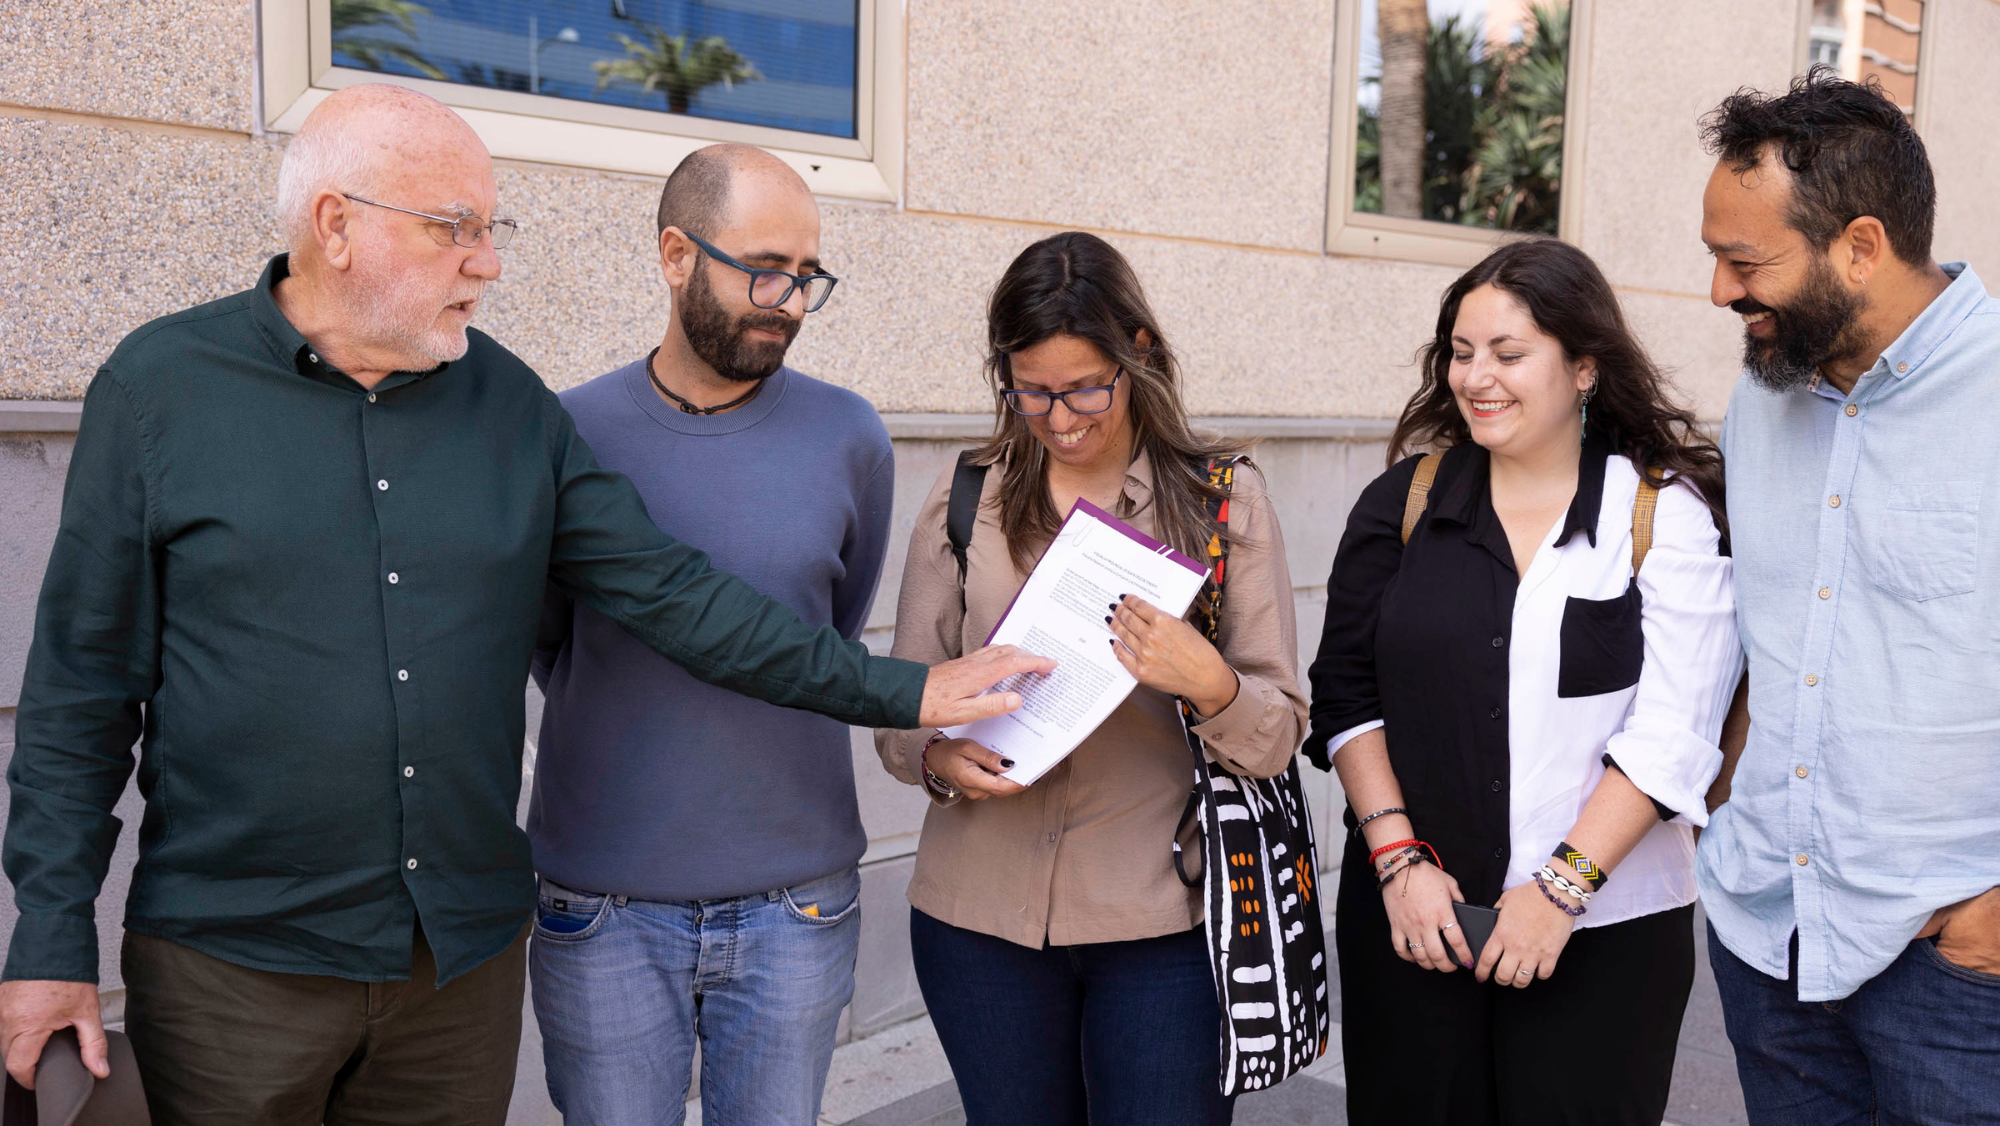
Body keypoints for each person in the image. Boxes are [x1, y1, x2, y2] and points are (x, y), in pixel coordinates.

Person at [0, 85, 1047, 1125]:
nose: (487, 261)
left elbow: (671, 595)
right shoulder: (160, 390)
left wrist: (904, 689)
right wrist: (49, 944)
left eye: (491, 228)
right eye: (454, 229)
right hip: (235, 970)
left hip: (451, 975)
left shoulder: (508, 406)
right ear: (337, 226)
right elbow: (79, 693)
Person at [874, 231, 1307, 1126]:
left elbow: (1278, 733)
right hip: (977, 921)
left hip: (1163, 929)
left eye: (1084, 389)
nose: (1060, 418)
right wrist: (933, 760)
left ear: (1137, 355)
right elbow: (898, 704)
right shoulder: (965, 498)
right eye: (1030, 392)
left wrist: (1209, 682)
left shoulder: (1223, 500)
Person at [1306, 237, 1740, 1125]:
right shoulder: (1404, 502)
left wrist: (1557, 893)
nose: (1477, 378)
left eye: (1509, 354)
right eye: (1461, 354)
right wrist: (1398, 862)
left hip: (1605, 938)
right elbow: (1348, 696)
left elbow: (1674, 735)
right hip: (1414, 922)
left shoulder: (1661, 515)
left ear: (1584, 367)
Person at [525, 144, 890, 1124]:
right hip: (601, 906)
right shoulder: (568, 432)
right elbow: (553, 640)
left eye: (808, 276)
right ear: (675, 253)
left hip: (796, 905)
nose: (788, 299)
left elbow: (825, 631)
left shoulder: (851, 437)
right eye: (765, 267)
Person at [1695, 68, 2000, 1124]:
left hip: (1955, 969)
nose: (1720, 294)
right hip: (1762, 935)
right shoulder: (1760, 396)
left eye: (1743, 263)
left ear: (1858, 247)